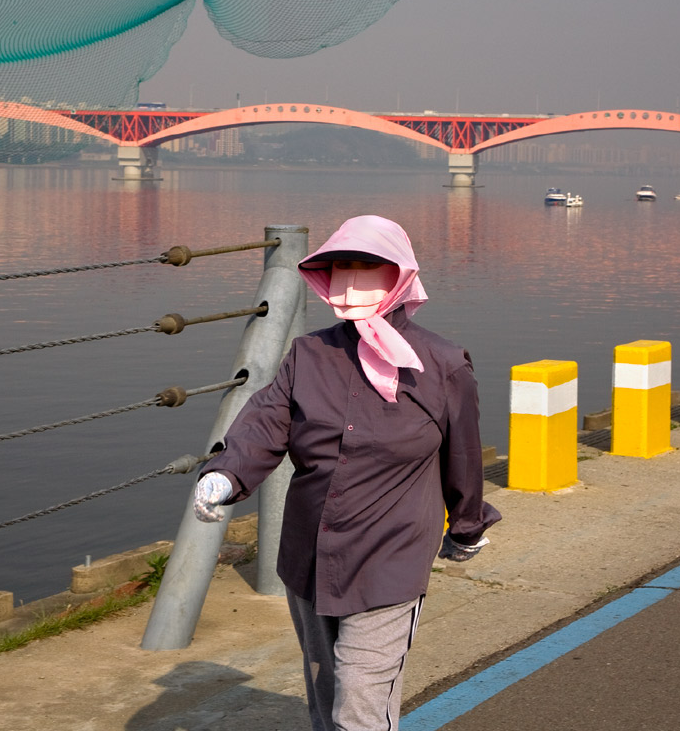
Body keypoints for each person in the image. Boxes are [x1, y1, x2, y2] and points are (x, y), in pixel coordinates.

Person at [193, 214, 501, 731]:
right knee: (327, 692)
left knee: (359, 706)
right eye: (341, 267)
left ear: (401, 275)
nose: (351, 280)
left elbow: (463, 460)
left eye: (368, 267)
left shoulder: (443, 365)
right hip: (309, 553)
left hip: (390, 558)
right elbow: (267, 421)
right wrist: (224, 475)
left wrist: (466, 529)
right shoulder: (309, 354)